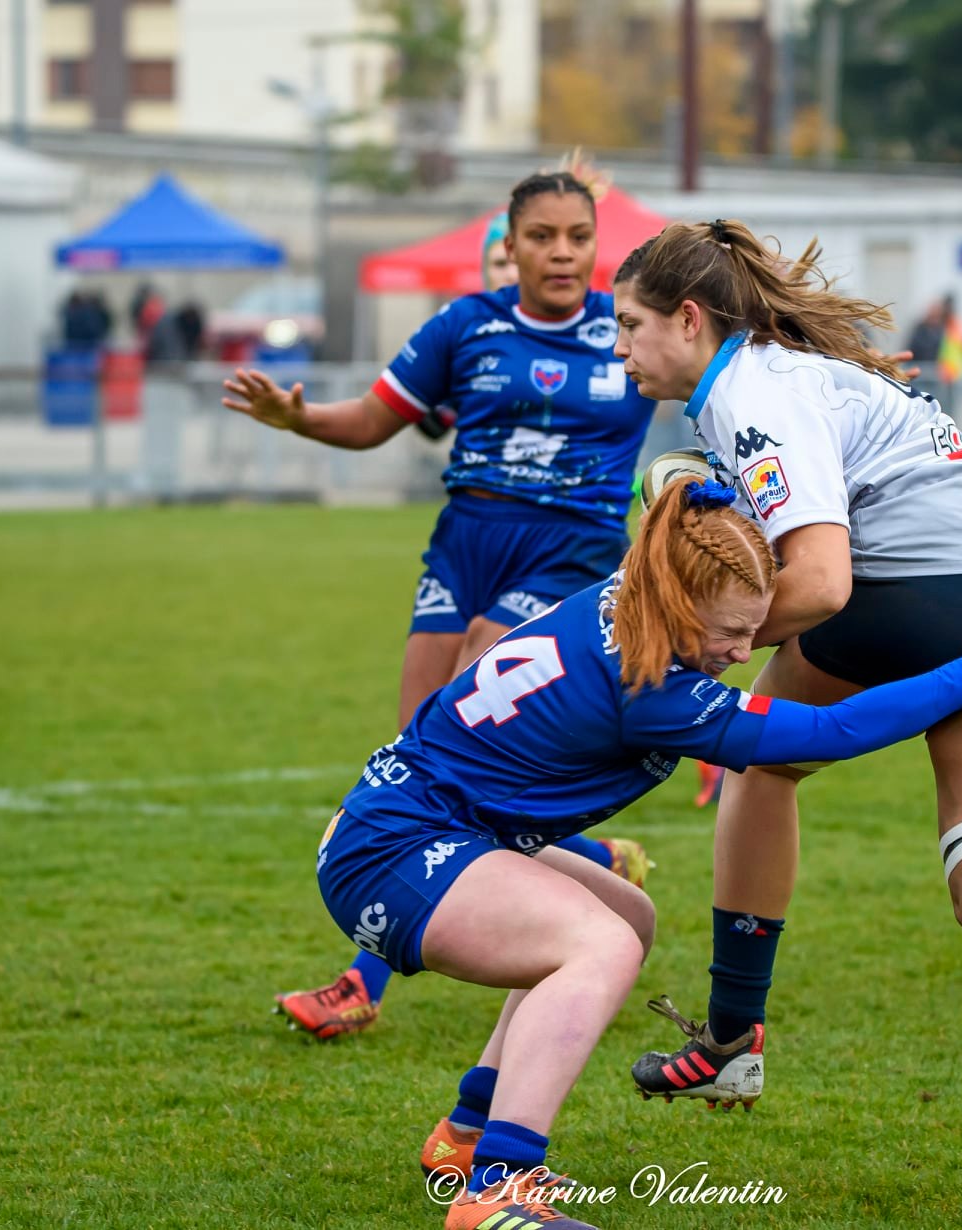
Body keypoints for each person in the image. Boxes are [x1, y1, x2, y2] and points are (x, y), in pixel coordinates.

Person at [315, 476, 962, 1229]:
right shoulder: (652, 690)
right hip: (394, 850)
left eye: (755, 628)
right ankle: (498, 1188)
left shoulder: (633, 586)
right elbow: (830, 732)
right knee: (598, 945)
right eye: (731, 632)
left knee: (627, 915)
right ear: (678, 604)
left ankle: (467, 1132)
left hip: (415, 826)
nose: (744, 651)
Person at [612, 219, 962, 1230]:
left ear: (689, 318)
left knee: (763, 764)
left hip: (923, 596)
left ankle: (731, 1041)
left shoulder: (751, 391)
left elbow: (822, 581)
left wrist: (669, 644)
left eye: (630, 324)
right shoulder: (794, 376)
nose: (619, 345)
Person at [223, 171, 660, 1041]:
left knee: (473, 695)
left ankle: (361, 983)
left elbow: (729, 371)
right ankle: (593, 859)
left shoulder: (628, 330)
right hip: (465, 544)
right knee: (417, 760)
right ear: (509, 244)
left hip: (570, 549)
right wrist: (298, 419)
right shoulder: (465, 326)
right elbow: (372, 420)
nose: (563, 252)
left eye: (578, 236)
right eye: (543, 236)